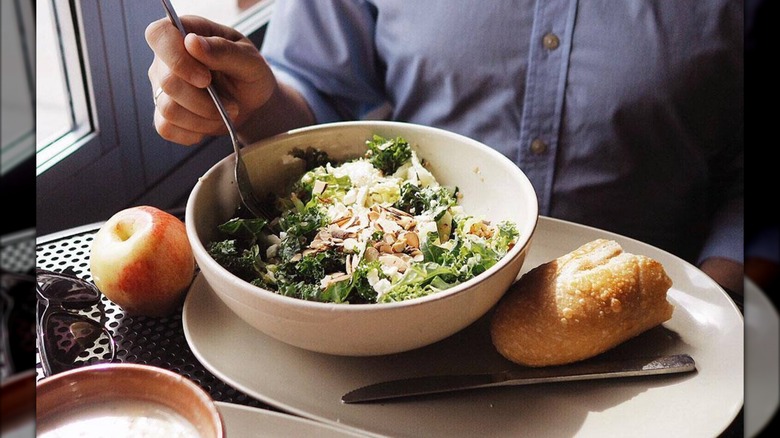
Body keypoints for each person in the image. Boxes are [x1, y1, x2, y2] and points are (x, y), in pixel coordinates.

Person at [145, 1, 743, 295]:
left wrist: (712, 305)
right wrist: (248, 102)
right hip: (405, 299)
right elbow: (319, 92)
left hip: (656, 307)